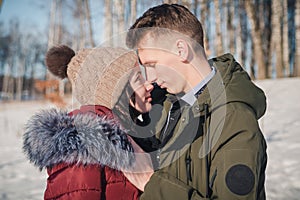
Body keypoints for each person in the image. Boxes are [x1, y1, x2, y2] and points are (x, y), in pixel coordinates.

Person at [123, 3, 267, 200]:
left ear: (181, 50)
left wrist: (153, 184)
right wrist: (135, 113)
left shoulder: (234, 119)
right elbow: (145, 159)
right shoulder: (166, 104)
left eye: (152, 64)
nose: (150, 77)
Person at [23, 45, 154, 200]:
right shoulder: (82, 148)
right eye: (139, 79)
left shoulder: (127, 136)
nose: (149, 85)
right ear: (114, 89)